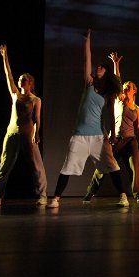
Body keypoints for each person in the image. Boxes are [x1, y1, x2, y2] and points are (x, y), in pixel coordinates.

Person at [47, 29, 129, 208]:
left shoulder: (108, 93)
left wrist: (113, 135)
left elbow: (111, 113)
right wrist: (87, 40)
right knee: (67, 166)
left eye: (101, 67)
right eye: (97, 67)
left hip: (99, 137)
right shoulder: (89, 84)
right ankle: (55, 199)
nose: (97, 68)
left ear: (106, 73)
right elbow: (87, 59)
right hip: (80, 136)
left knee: (112, 166)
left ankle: (123, 197)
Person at [84, 51, 139, 203]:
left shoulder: (137, 108)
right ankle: (91, 192)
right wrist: (116, 63)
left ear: (134, 91)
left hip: (131, 140)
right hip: (117, 139)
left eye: (128, 87)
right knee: (103, 164)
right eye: (124, 87)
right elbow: (117, 79)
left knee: (135, 167)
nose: (125, 88)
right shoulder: (119, 99)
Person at [0, 44, 48, 207]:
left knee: (36, 164)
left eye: (24, 79)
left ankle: (42, 196)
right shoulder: (15, 94)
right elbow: (9, 75)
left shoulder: (35, 100)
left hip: (28, 133)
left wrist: (36, 133)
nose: (20, 80)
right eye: (20, 79)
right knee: (5, 164)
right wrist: (4, 56)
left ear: (30, 83)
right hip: (12, 132)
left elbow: (37, 118)